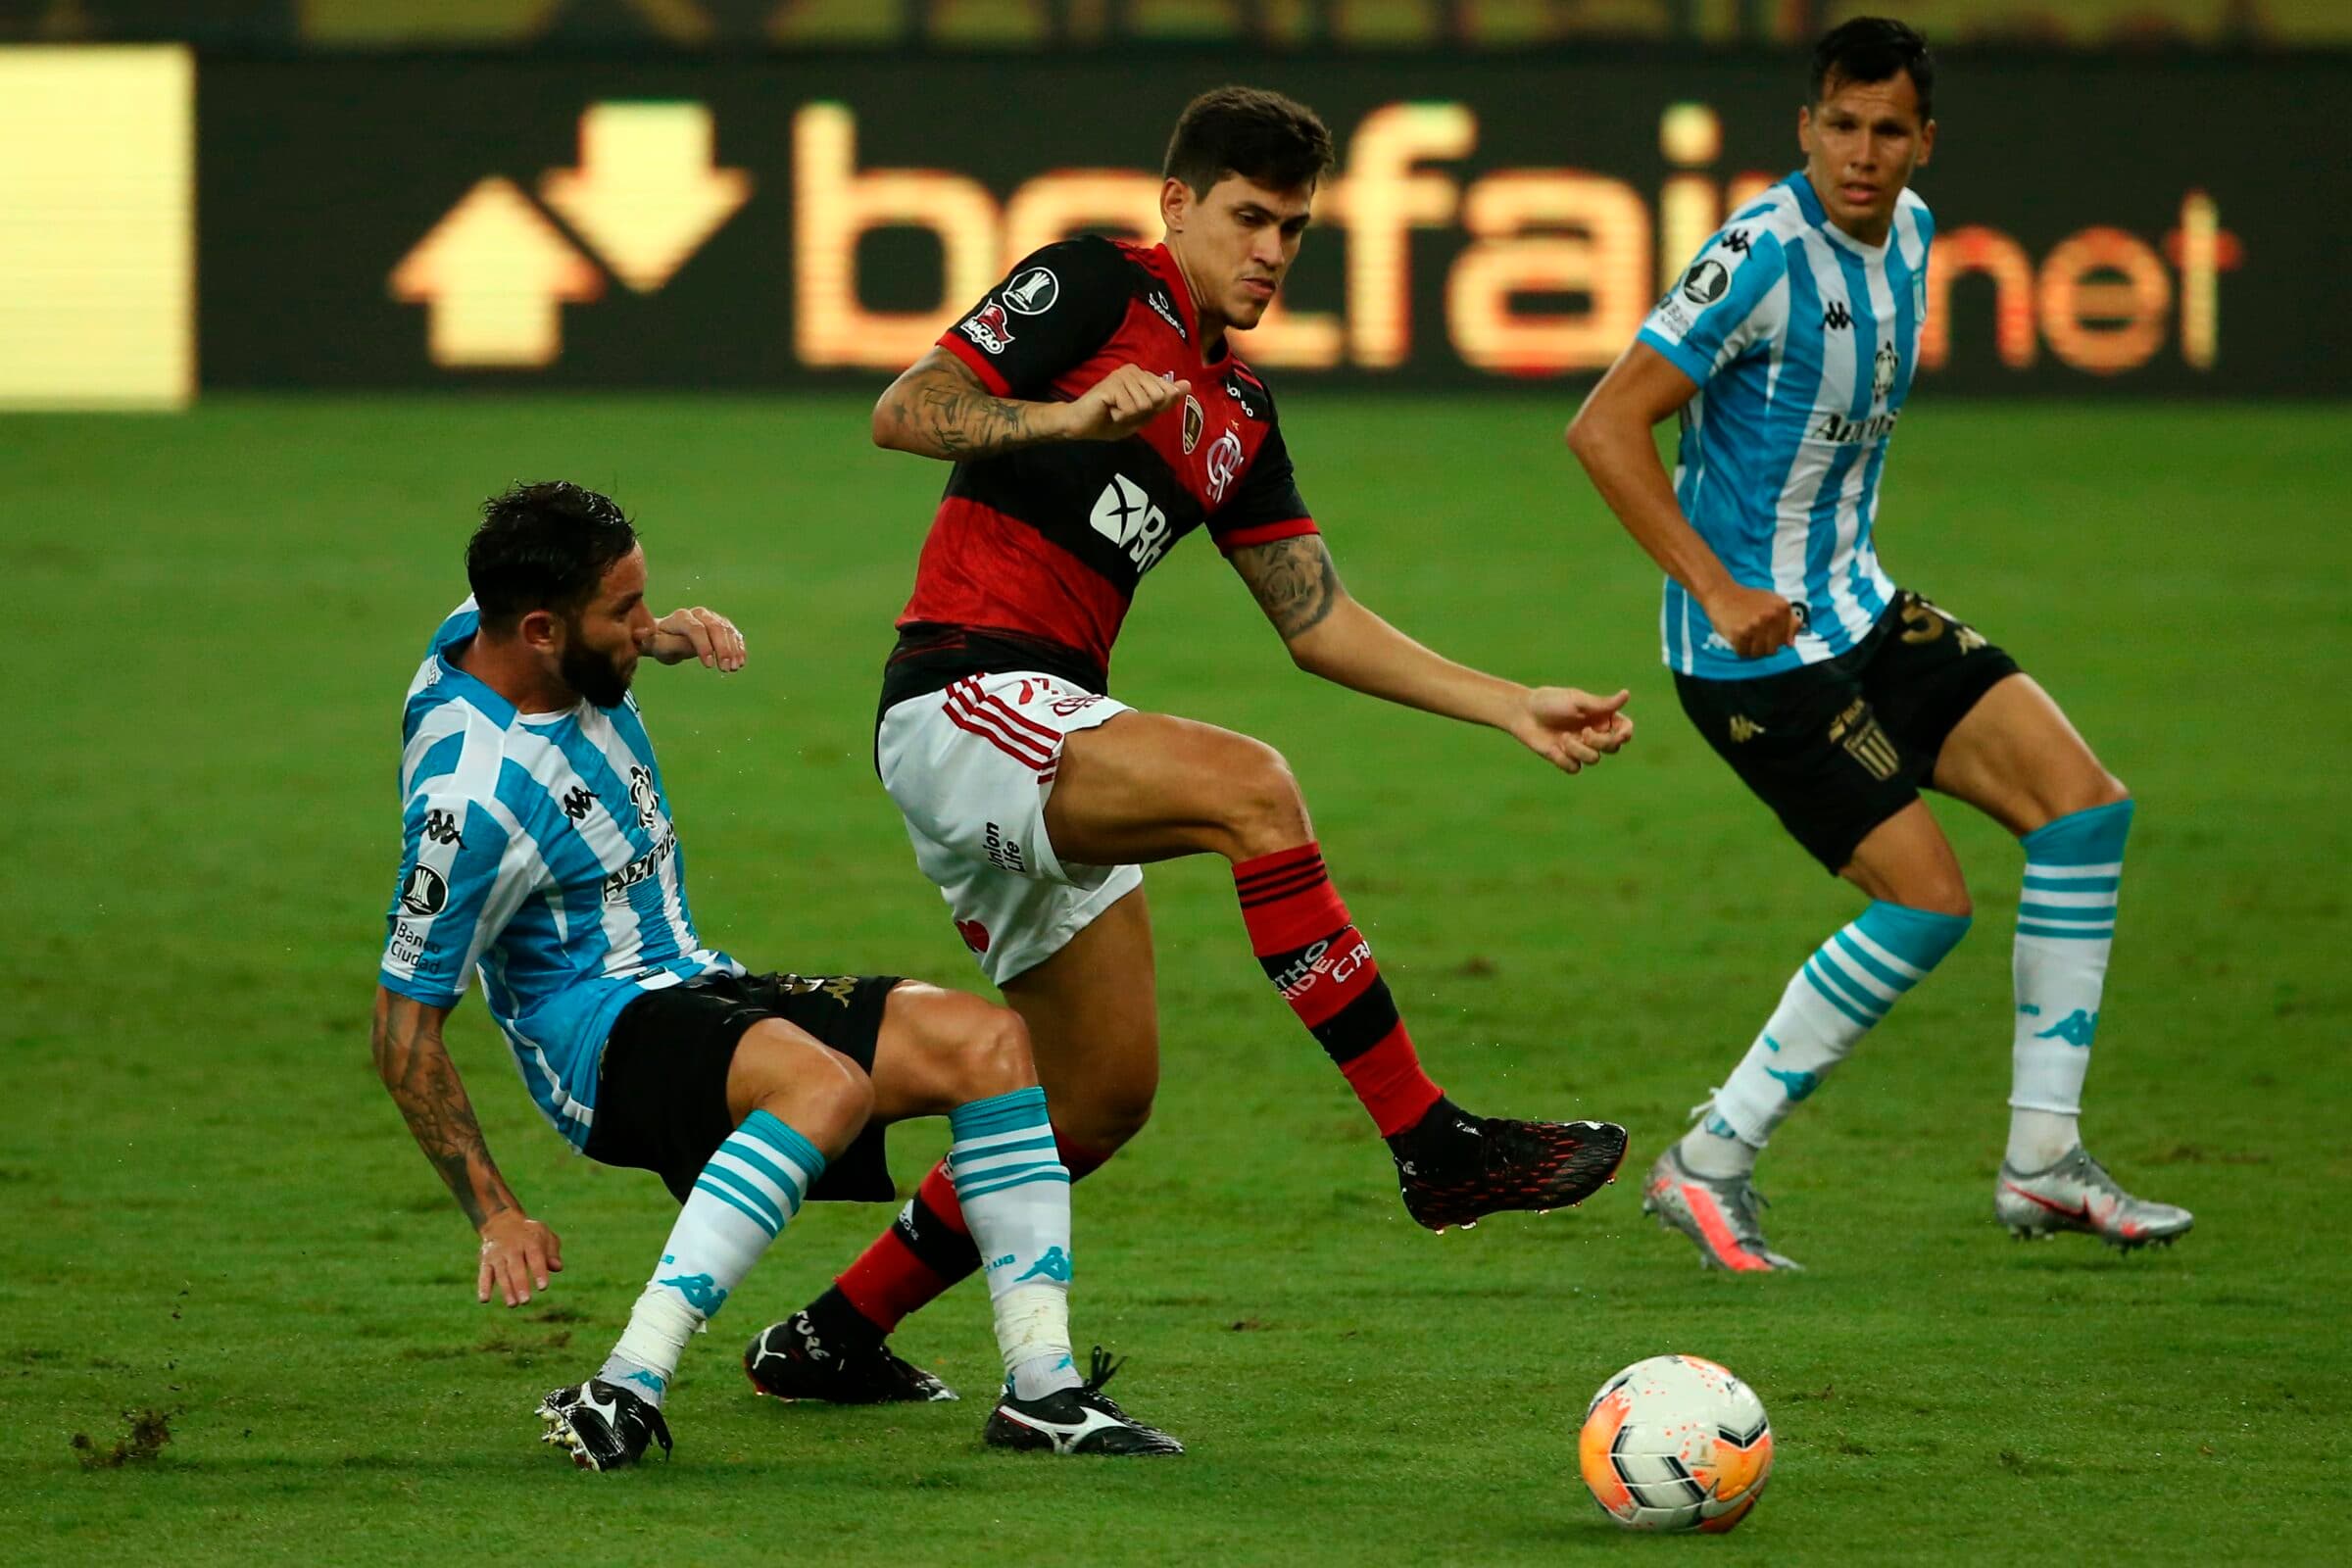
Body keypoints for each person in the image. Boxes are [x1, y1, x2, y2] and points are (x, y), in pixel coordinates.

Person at [746, 86, 1636, 1404]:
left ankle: (829, 1334)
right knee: (1250, 790)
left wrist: (1506, 701)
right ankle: (1430, 1141)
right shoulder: (1096, 286)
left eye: (1295, 227)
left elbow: (1316, 619)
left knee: (1099, 1098)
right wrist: (1064, 417)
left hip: (1053, 727)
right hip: (962, 695)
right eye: (1249, 217)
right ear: (1179, 204)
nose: (1272, 248)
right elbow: (905, 405)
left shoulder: (1242, 412)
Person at [372, 481, 1179, 1466]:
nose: (643, 625)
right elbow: (403, 1032)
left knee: (991, 1046)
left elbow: (566, 632)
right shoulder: (474, 800)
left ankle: (1041, 1390)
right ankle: (624, 1384)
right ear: (541, 630)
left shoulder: (491, 625)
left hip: (694, 979)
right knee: (823, 1086)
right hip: (599, 1036)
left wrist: (656, 638)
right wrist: (495, 1212)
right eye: (623, 613)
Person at [1564, 18, 2189, 1271]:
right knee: (1927, 902)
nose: (1861, 153)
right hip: (1753, 658)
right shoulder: (1757, 254)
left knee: (2083, 811)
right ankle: (1709, 1162)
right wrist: (1721, 584)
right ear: (1805, 127)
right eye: (1839, 126)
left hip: (1862, 609)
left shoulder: (1909, 235)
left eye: (1887, 130)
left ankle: (2043, 1162)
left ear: (1923, 142)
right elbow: (1604, 427)